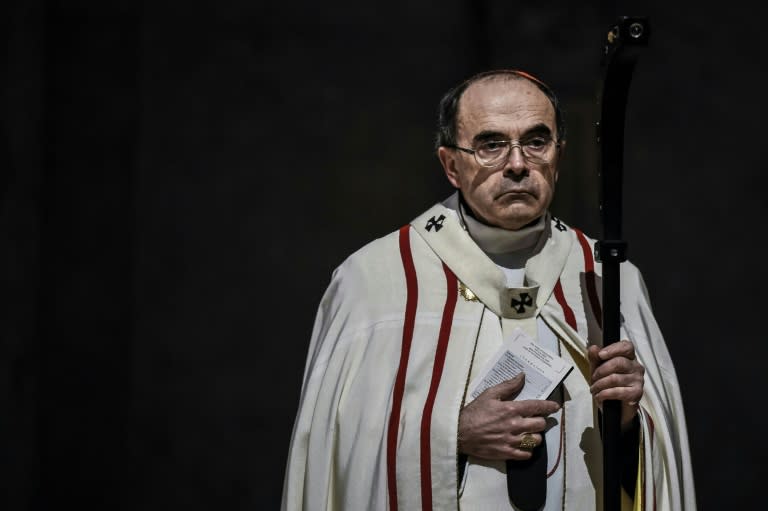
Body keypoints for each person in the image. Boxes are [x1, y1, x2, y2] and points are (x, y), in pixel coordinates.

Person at [280, 69, 696, 510]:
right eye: (491, 145)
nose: (517, 164)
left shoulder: (606, 276)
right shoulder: (375, 280)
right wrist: (452, 435)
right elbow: (336, 449)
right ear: (450, 165)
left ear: (560, 154)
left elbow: (658, 468)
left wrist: (629, 419)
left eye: (536, 142)